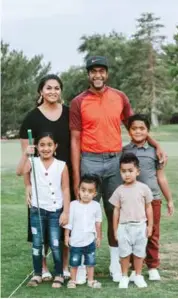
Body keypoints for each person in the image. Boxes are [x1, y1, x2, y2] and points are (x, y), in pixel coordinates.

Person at [70, 56, 166, 282]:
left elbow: (135, 126)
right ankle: (83, 264)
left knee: (116, 213)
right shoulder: (78, 102)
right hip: (89, 159)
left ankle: (116, 263)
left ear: (107, 73)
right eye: (93, 71)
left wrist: (156, 144)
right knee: (85, 211)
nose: (97, 75)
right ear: (88, 75)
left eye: (101, 71)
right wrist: (77, 175)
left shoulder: (119, 97)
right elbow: (75, 139)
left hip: (115, 161)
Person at [19, 74, 74, 280]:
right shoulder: (31, 118)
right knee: (40, 227)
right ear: (41, 91)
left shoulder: (69, 114)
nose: (53, 91)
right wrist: (27, 186)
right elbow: (26, 157)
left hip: (64, 175)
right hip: (39, 182)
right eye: (48, 88)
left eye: (57, 88)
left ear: (61, 91)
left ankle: (65, 265)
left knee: (63, 222)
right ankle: (42, 268)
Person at [123, 114, 174, 281]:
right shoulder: (124, 151)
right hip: (131, 201)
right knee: (132, 234)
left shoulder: (155, 152)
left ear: (148, 131)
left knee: (152, 233)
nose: (138, 131)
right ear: (129, 131)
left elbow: (161, 177)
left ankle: (152, 267)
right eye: (134, 128)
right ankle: (133, 267)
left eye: (142, 128)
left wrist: (170, 199)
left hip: (153, 200)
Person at [16, 132, 70, 288]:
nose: (46, 148)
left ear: (55, 147)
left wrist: (66, 211)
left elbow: (65, 189)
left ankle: (59, 274)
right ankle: (37, 273)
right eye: (42, 145)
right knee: (37, 244)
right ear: (37, 147)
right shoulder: (32, 162)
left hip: (55, 211)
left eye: (49, 145)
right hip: (37, 210)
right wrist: (26, 154)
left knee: (54, 243)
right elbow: (19, 172)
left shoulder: (61, 165)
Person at [109, 153, 153, 288]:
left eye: (130, 171)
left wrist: (149, 226)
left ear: (137, 171)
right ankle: (124, 277)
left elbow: (148, 207)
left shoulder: (143, 188)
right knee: (124, 253)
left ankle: (138, 275)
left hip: (140, 226)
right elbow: (116, 210)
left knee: (139, 253)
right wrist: (115, 229)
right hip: (124, 227)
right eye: (123, 171)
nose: (127, 174)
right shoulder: (119, 191)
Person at [64, 174, 102, 289]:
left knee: (90, 262)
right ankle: (73, 280)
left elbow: (98, 222)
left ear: (94, 194)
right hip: (76, 240)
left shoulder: (96, 206)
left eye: (90, 191)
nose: (86, 193)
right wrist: (66, 235)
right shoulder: (73, 205)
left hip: (90, 240)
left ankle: (90, 280)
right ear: (78, 190)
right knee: (74, 261)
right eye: (83, 190)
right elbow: (69, 223)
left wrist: (99, 236)